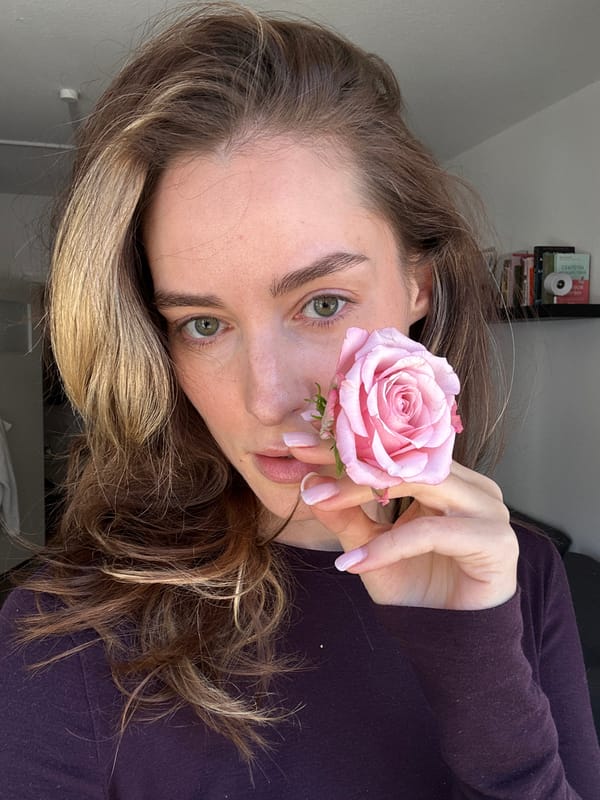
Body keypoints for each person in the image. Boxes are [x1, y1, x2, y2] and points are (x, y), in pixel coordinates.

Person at [1, 4, 599, 798]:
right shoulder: (63, 642)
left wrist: (476, 664)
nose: (266, 396)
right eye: (203, 324)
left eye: (322, 303)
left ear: (419, 284)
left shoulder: (525, 578)